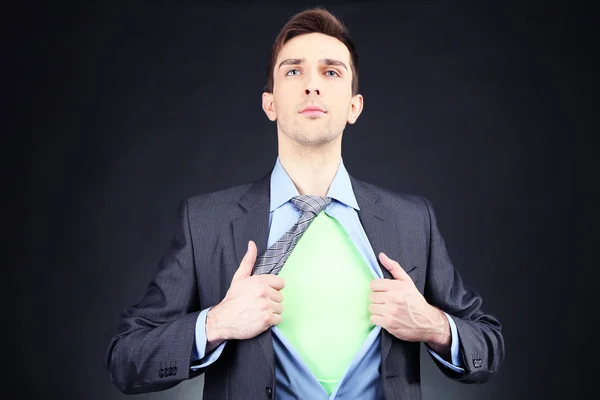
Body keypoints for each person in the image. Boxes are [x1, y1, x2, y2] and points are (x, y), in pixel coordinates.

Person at [105, 7, 504, 400]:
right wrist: (216, 323)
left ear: (353, 106)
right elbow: (125, 358)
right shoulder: (206, 221)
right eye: (293, 71)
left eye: (331, 72)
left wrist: (434, 326)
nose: (312, 85)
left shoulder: (412, 220)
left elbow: (488, 345)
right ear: (270, 103)